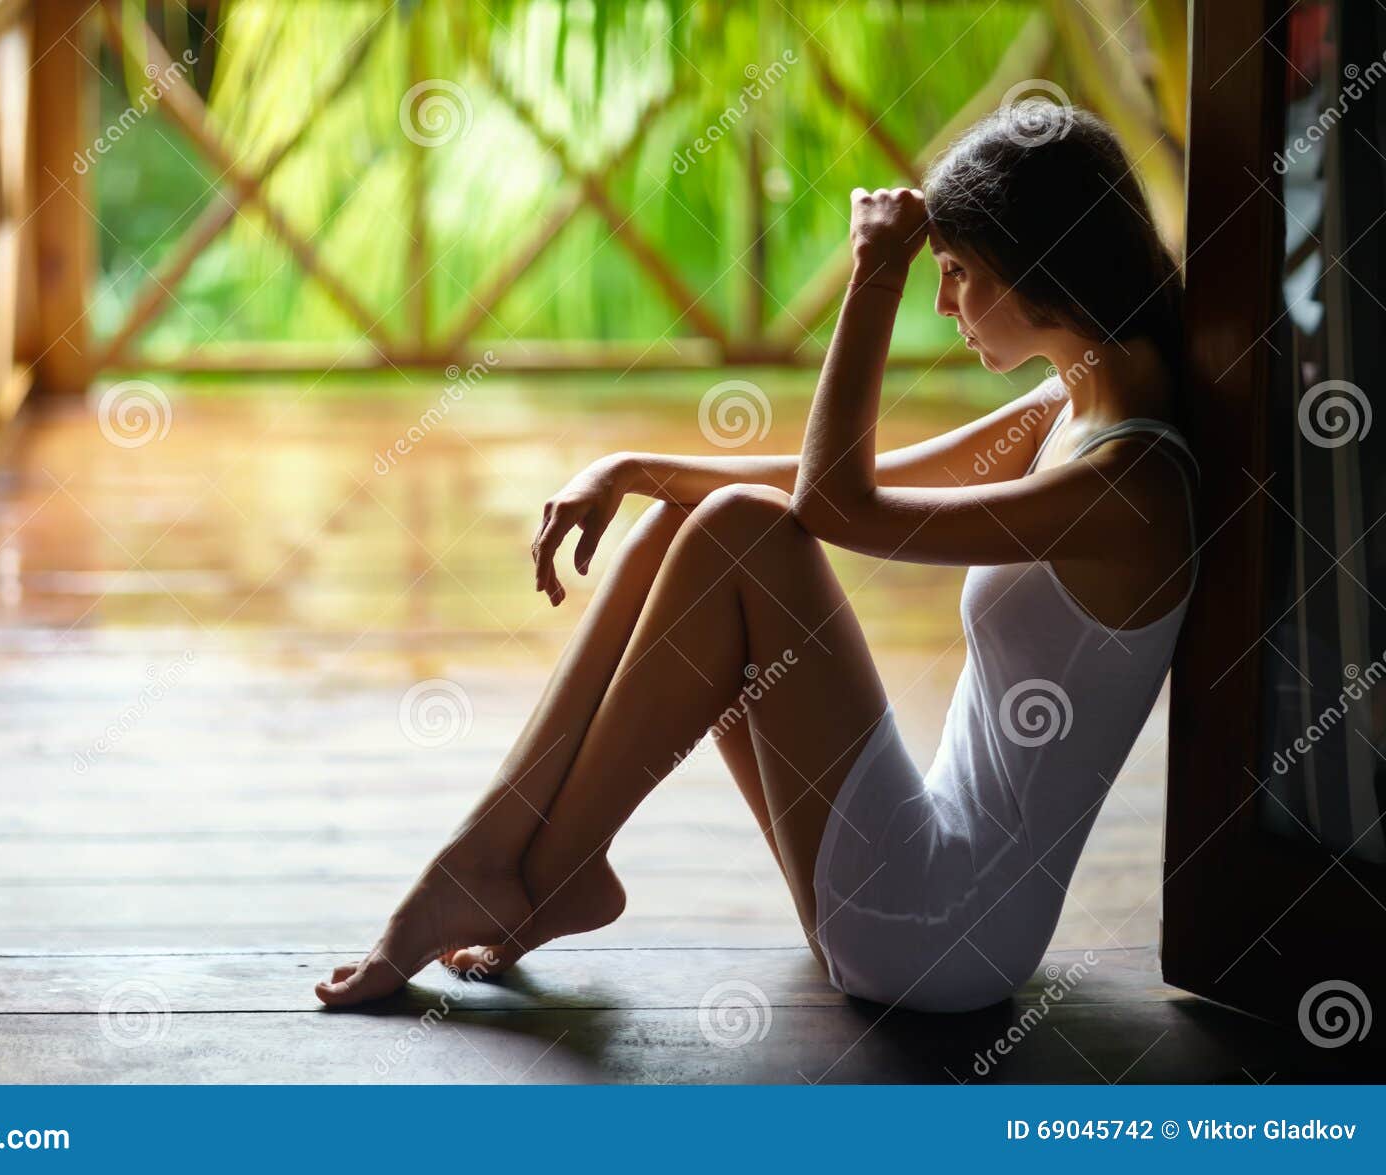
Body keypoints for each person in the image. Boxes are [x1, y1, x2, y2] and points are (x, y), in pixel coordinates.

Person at [316, 104, 1197, 1013]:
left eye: (957, 273)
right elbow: (843, 482)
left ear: (1037, 267)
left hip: (947, 934)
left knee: (738, 523)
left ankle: (531, 871)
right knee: (680, 525)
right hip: (909, 881)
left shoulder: (1131, 484)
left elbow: (833, 503)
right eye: (932, 273)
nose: (942, 303)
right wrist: (634, 469)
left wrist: (873, 276)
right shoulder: (1076, 405)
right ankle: (501, 861)